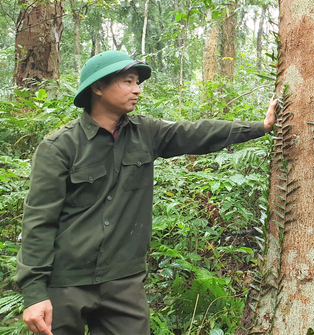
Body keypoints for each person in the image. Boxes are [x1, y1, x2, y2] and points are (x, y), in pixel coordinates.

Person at [16, 51, 277, 335]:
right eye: (128, 81)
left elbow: (196, 133)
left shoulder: (146, 133)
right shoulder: (59, 147)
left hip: (123, 282)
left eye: (137, 82)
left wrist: (259, 128)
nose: (137, 89)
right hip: (66, 283)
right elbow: (39, 222)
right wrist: (34, 293)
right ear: (98, 88)